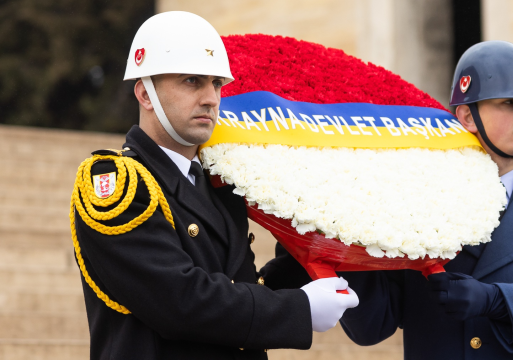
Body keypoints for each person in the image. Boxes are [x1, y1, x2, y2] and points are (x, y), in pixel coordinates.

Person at [70, 11, 358, 360]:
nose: (211, 98)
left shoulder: (219, 184)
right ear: (145, 94)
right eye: (192, 81)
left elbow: (241, 289)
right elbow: (179, 301)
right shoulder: (116, 186)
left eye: (216, 83)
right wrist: (299, 308)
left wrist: (310, 252)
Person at [336, 41, 513, 359]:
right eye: (510, 102)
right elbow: (371, 325)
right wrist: (340, 241)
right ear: (467, 117)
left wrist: (496, 300)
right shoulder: (415, 202)